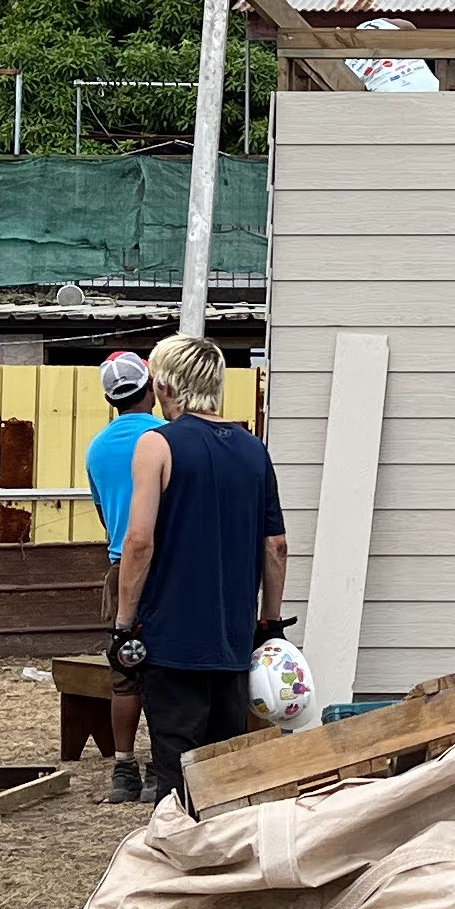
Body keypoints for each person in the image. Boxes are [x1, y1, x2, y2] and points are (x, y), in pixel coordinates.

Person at [112, 338, 289, 807]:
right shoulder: (254, 449)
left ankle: (181, 863)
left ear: (165, 385)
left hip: (172, 640)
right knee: (225, 769)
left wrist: (124, 623)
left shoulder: (157, 444)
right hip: (233, 639)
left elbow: (139, 541)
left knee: (177, 767)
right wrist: (268, 625)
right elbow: (276, 545)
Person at [82, 350, 164, 802]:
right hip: (164, 568)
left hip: (119, 567)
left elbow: (102, 513)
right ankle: (159, 766)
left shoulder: (97, 448)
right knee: (165, 669)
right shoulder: (165, 438)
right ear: (151, 387)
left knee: (124, 668)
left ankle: (123, 769)